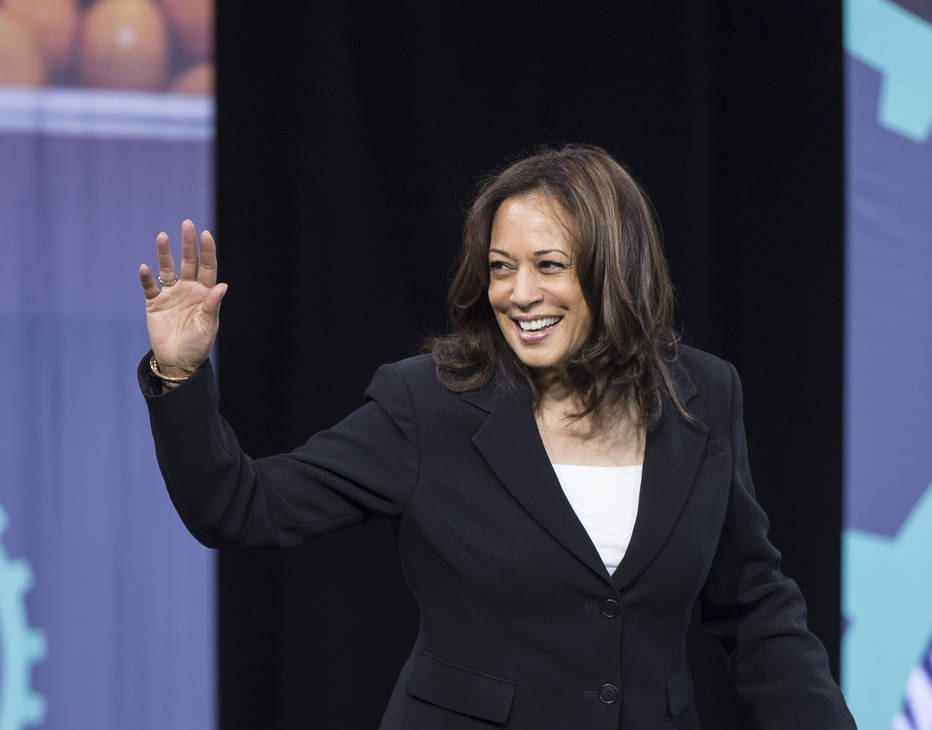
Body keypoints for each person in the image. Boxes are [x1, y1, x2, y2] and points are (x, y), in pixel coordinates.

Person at [137, 145, 857, 729]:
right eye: (501, 268)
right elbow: (239, 506)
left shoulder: (702, 396)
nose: (518, 294)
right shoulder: (427, 404)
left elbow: (755, 605)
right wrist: (179, 375)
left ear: (617, 269)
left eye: (549, 266)